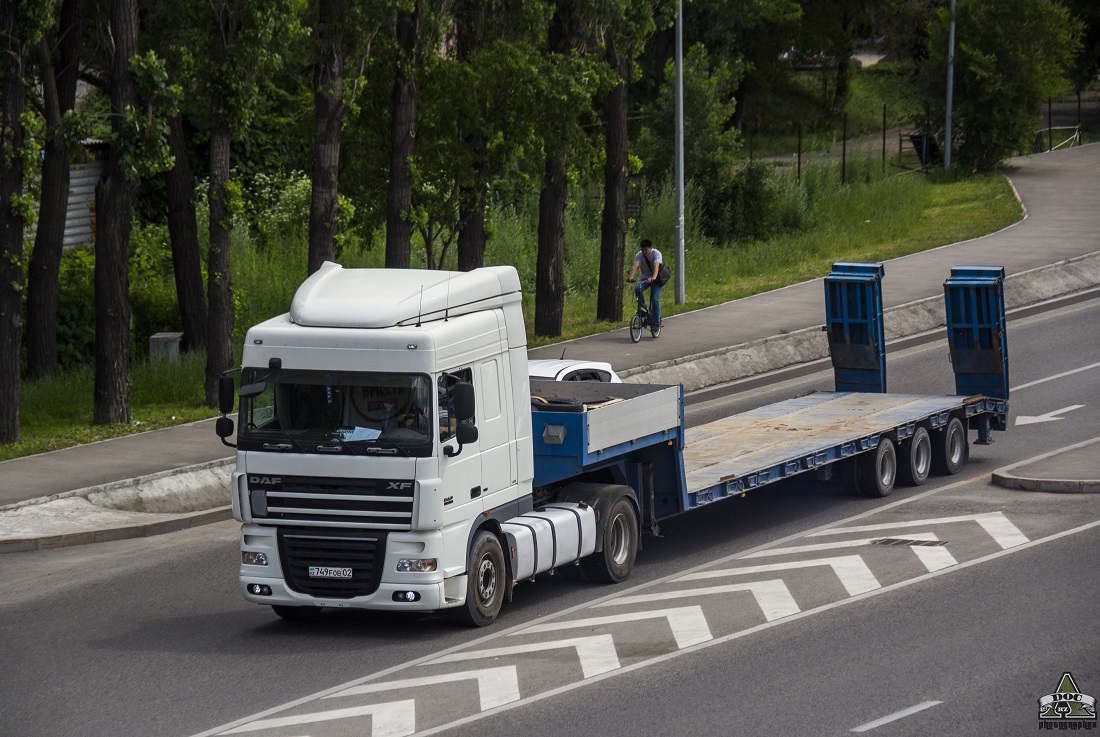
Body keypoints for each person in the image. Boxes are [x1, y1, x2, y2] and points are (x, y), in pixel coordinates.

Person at [627, 238, 664, 329]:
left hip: (657, 279)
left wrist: (653, 277)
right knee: (637, 288)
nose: (644, 252)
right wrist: (631, 277)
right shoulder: (639, 255)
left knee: (655, 299)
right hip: (645, 278)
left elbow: (656, 267)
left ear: (650, 248)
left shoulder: (656, 254)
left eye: (646, 250)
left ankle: (656, 322)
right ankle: (643, 309)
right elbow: (635, 266)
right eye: (642, 250)